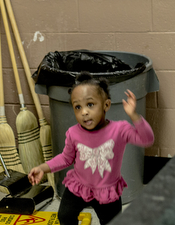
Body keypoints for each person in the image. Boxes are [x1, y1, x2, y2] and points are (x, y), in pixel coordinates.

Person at [28, 72, 154, 225]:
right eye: (78, 107)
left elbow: (147, 139)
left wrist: (134, 115)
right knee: (65, 216)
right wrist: (43, 168)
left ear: (106, 105)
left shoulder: (119, 129)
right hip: (79, 187)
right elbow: (66, 158)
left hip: (107, 191)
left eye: (90, 104)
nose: (84, 112)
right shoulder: (73, 133)